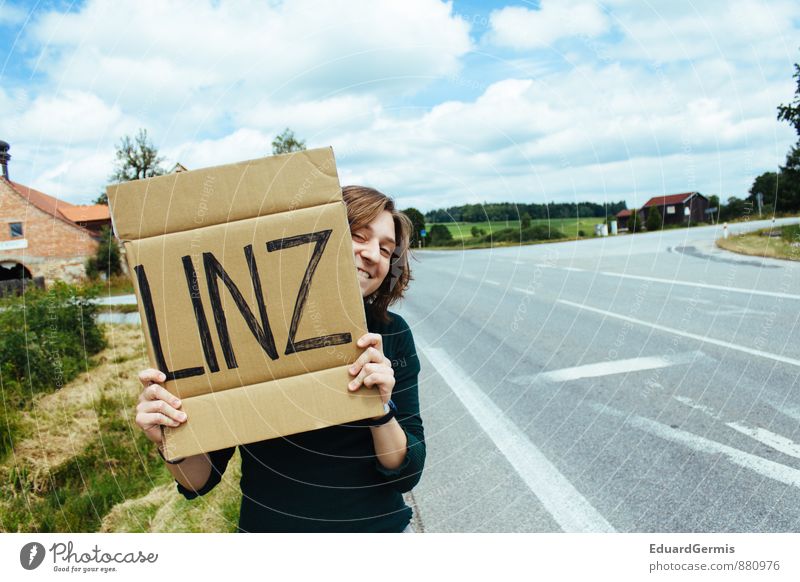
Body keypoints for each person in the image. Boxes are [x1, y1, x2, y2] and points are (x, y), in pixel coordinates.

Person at [135, 185, 424, 532]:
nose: (373, 254)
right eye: (359, 236)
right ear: (315, 235)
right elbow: (199, 480)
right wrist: (169, 436)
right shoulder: (242, 330)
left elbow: (407, 473)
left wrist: (381, 410)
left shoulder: (390, 335)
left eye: (386, 249)